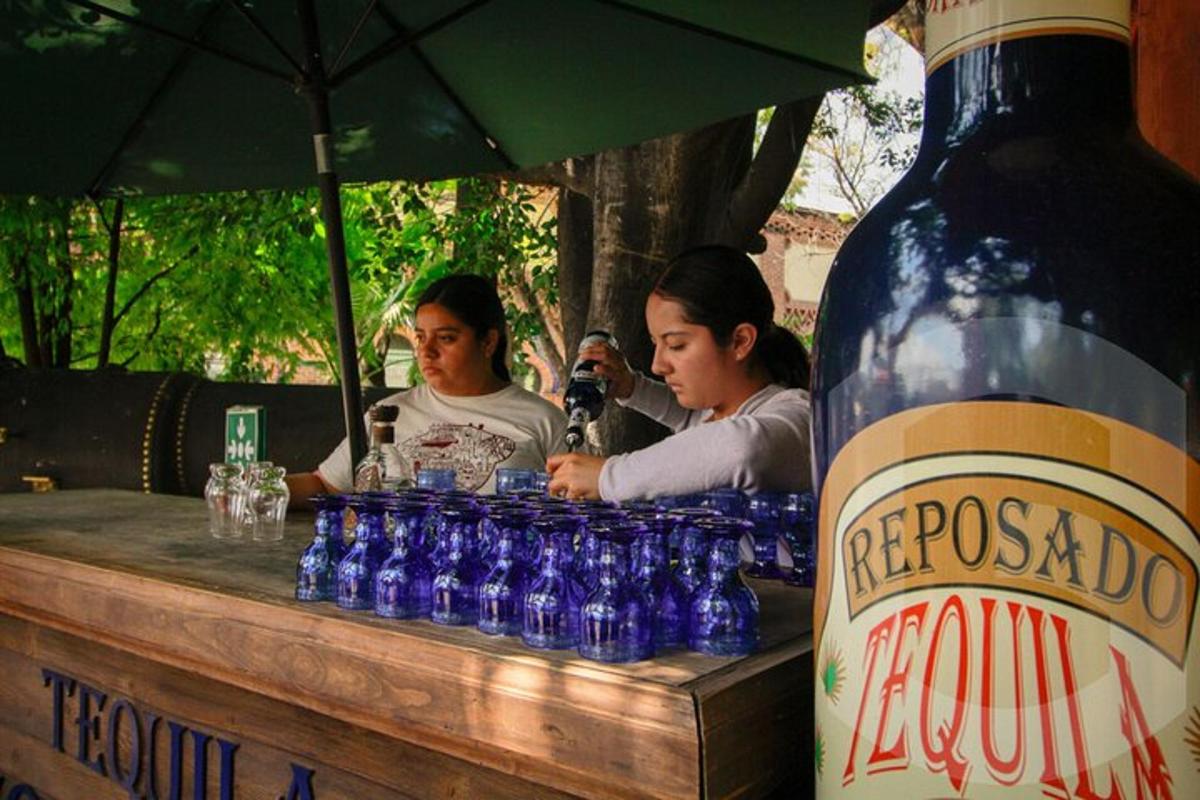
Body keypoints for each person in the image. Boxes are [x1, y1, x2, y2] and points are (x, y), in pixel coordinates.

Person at [546, 245, 811, 502]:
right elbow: (688, 418)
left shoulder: (796, 419)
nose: (658, 365)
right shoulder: (711, 414)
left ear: (740, 341)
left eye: (676, 345)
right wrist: (632, 387)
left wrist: (608, 477)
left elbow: (739, 449)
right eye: (655, 343)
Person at [288, 274, 566, 503]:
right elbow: (325, 485)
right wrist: (256, 486)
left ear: (488, 342)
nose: (427, 351)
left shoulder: (544, 420)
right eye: (421, 338)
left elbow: (577, 508)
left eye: (446, 338)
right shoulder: (390, 414)